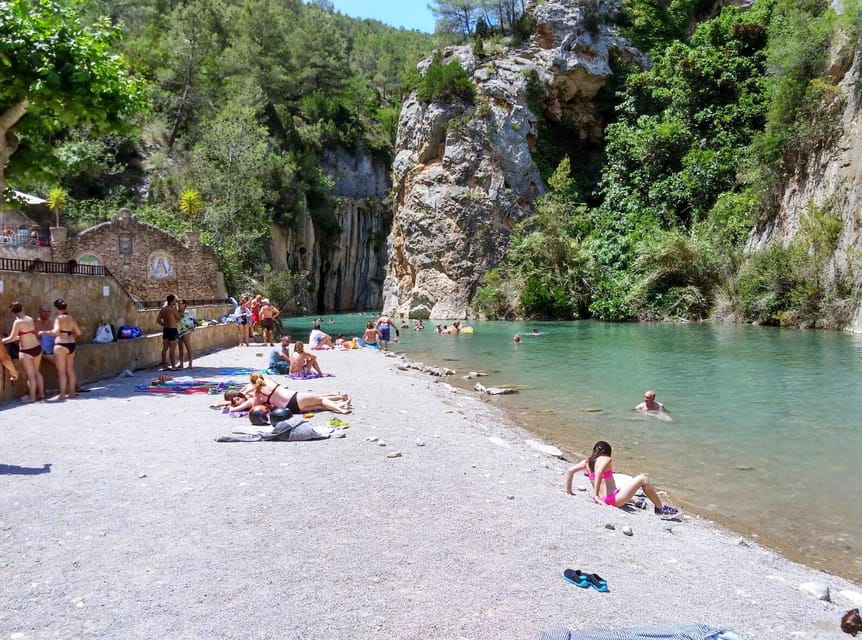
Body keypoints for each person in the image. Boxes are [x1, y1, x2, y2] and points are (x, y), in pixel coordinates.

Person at [564, 441, 679, 517]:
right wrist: (595, 496)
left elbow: (570, 471)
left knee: (618, 487)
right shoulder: (606, 459)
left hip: (609, 497)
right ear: (608, 452)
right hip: (612, 499)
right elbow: (599, 472)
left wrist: (569, 491)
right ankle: (660, 508)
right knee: (643, 479)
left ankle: (635, 501)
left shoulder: (586, 462)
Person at [224, 372, 351, 414]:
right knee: (320, 399)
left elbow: (254, 405)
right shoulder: (268, 380)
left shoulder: (257, 393)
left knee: (320, 406)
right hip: (294, 397)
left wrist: (230, 406)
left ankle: (341, 403)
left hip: (290, 409)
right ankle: (341, 408)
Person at [39, 298, 81, 400]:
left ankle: (62, 394)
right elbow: (78, 332)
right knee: (70, 369)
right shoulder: (70, 317)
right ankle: (71, 392)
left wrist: (45, 332)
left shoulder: (59, 318)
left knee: (61, 371)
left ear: (56, 308)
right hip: (71, 343)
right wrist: (70, 337)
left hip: (61, 344)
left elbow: (56, 331)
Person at [2, 301, 44, 402]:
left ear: (13, 312)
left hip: (26, 350)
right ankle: (41, 394)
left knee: (30, 375)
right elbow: (26, 334)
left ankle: (32, 397)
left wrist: (2, 341)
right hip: (37, 347)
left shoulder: (18, 322)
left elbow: (12, 338)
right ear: (22, 308)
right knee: (37, 372)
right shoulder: (29, 318)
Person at [156, 294, 182, 370]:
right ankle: (173, 366)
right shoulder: (173, 309)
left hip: (166, 330)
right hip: (173, 330)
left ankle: (164, 366)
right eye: (175, 300)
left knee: (165, 348)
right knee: (172, 349)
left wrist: (164, 324)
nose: (176, 301)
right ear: (172, 301)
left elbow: (158, 320)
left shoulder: (163, 309)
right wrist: (179, 310)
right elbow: (179, 318)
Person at [176, 299, 196, 369]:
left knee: (188, 346)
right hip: (179, 331)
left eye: (181, 304)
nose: (179, 305)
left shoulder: (187, 313)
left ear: (184, 305)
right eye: (178, 304)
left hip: (186, 331)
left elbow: (189, 322)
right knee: (180, 348)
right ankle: (181, 364)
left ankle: (190, 364)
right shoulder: (176, 312)